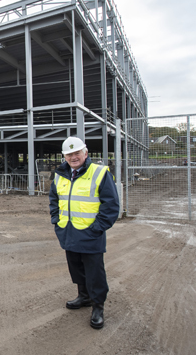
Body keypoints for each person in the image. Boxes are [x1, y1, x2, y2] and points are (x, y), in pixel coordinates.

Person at [49, 136, 120, 329]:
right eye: (69, 154)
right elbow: (54, 200)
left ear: (85, 153)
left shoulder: (99, 173)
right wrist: (56, 221)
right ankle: (84, 296)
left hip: (91, 234)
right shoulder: (60, 175)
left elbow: (111, 205)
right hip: (68, 231)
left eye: (77, 153)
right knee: (76, 267)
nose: (73, 157)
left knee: (95, 272)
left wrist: (97, 228)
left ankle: (98, 306)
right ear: (64, 156)